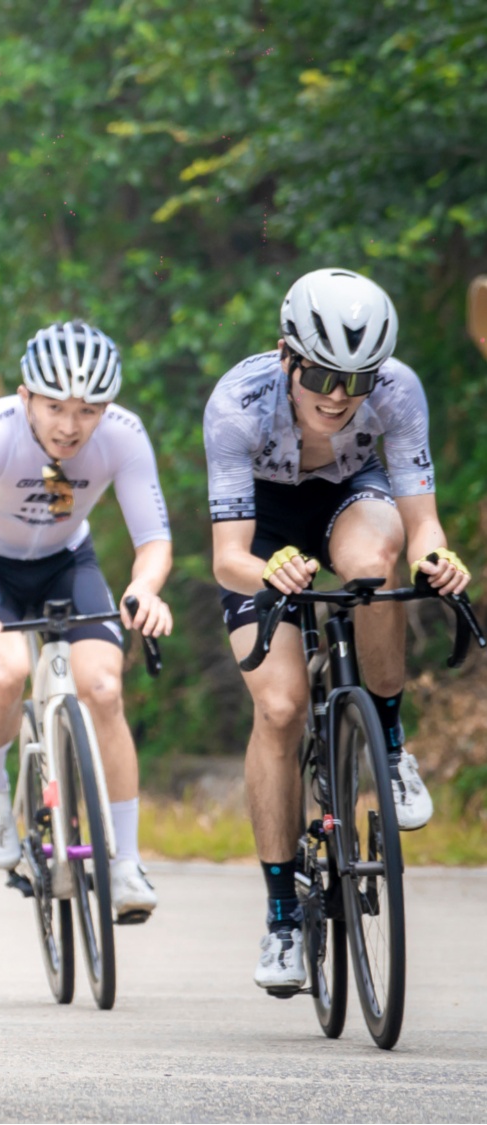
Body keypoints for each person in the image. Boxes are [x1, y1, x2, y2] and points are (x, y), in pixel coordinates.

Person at [204, 267, 471, 992]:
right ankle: (282, 918)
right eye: (321, 374)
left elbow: (422, 524)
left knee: (373, 566)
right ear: (286, 355)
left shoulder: (397, 389)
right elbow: (228, 557)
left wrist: (436, 558)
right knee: (280, 708)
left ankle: (389, 744)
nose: (337, 396)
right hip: (263, 529)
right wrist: (269, 571)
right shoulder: (236, 402)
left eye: (356, 380)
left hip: (349, 497)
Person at [0, 321, 172, 923]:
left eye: (88, 410)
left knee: (102, 687)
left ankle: (126, 862)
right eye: (55, 408)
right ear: (26, 397)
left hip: (67, 562)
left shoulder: (123, 435)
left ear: (107, 407)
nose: (71, 426)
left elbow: (153, 540)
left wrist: (144, 589)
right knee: (4, 672)